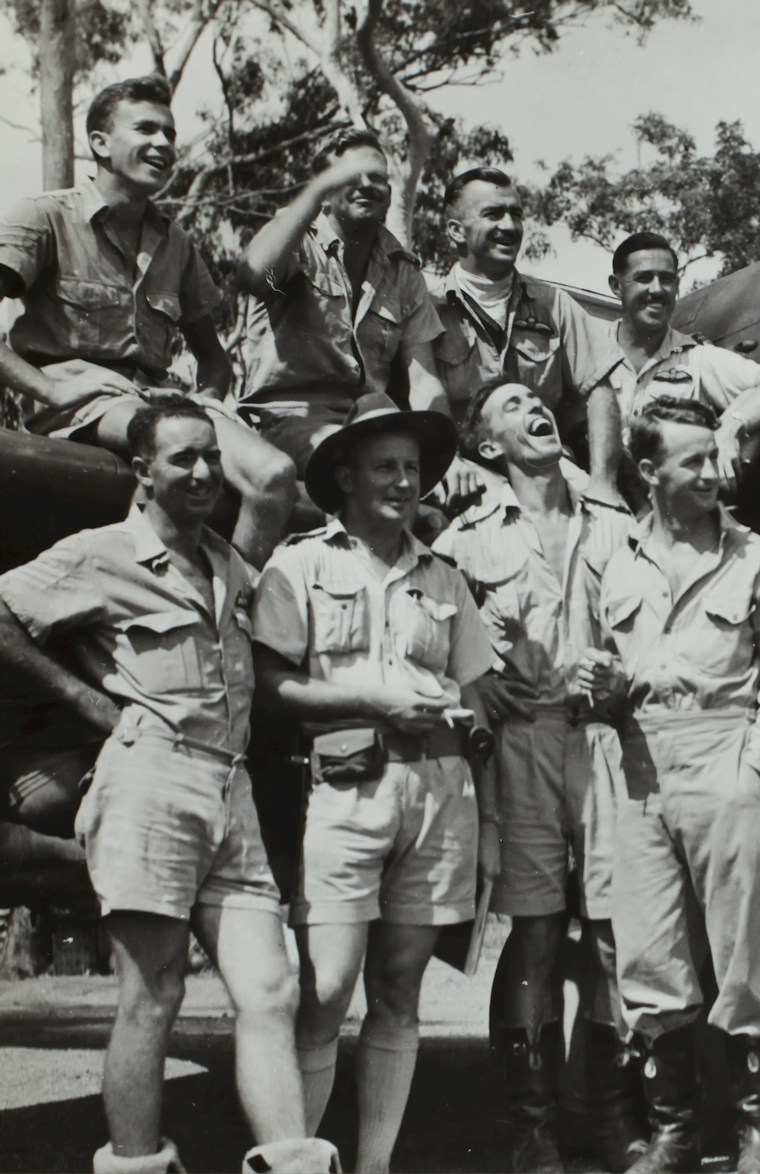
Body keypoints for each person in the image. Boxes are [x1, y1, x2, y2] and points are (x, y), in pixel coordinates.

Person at [0, 397, 335, 1174]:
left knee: (272, 991)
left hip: (230, 788)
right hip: (148, 776)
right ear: (142, 473)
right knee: (152, 995)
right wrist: (81, 697)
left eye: (211, 457)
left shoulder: (230, 565)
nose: (202, 472)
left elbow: (273, 486)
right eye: (182, 458)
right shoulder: (101, 552)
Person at [251, 393, 500, 1172]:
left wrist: (465, 727)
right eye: (385, 467)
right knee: (325, 990)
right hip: (344, 793)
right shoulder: (300, 564)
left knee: (398, 990)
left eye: (412, 470)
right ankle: (298, 1162)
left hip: (437, 798)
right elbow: (273, 688)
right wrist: (371, 699)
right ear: (347, 479)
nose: (403, 482)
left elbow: (479, 695)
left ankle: (373, 1166)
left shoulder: (446, 581)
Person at [580, 396, 760, 1174]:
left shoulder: (756, 557)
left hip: (726, 754)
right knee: (649, 959)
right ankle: (674, 1131)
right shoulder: (611, 558)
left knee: (742, 959)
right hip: (639, 767)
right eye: (695, 462)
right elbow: (594, 676)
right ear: (648, 472)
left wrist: (756, 767)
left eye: (716, 459)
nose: (716, 473)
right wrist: (599, 689)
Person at [434, 378, 636, 1173]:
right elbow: (434, 645)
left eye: (538, 401)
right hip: (522, 748)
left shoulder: (617, 524)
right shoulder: (465, 541)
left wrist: (626, 677)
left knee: (620, 934)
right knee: (539, 933)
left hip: (609, 745)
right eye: (512, 406)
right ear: (487, 446)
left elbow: (653, 618)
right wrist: (481, 686)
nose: (536, 410)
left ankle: (609, 1112)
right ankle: (533, 1124)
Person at [0, 75, 296, 568]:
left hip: (157, 402)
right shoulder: (44, 217)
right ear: (100, 143)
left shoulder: (174, 242)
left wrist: (204, 400)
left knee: (274, 476)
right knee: (176, 459)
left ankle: (231, 609)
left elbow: (214, 360)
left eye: (170, 134)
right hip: (85, 407)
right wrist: (49, 391)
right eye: (145, 129)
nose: (163, 143)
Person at [237, 128, 465, 497]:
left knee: (466, 490)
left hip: (374, 420)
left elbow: (423, 381)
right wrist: (311, 194)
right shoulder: (294, 239)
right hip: (289, 419)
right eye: (349, 177)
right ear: (324, 192)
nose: (366, 185)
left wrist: (443, 455)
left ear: (390, 195)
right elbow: (252, 273)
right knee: (369, 468)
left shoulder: (402, 269)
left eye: (378, 178)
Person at [431, 168, 622, 502]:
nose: (509, 226)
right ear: (456, 231)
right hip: (467, 472)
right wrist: (446, 463)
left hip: (548, 465)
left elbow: (599, 390)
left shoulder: (553, 304)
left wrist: (604, 484)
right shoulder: (428, 309)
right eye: (493, 214)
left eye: (515, 214)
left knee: (610, 524)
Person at [570, 232, 760, 497]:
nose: (657, 289)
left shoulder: (695, 356)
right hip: (597, 503)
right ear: (616, 286)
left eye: (667, 279)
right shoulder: (588, 350)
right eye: (644, 278)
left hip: (670, 509)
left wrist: (729, 427)